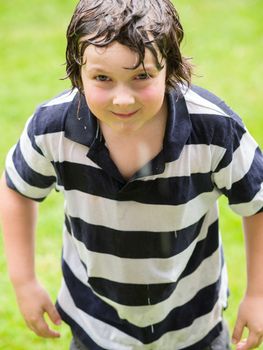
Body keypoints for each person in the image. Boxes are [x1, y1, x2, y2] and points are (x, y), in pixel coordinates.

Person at [0, 0, 262, 349]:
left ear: (170, 68)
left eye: (141, 76)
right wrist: (24, 281)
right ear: (78, 73)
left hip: (193, 323)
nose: (122, 99)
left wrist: (257, 294)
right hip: (95, 322)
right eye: (103, 78)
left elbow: (257, 203)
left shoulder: (214, 130)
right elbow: (17, 189)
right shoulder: (53, 129)